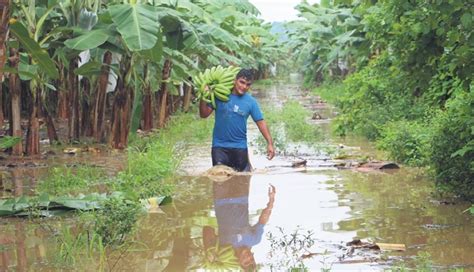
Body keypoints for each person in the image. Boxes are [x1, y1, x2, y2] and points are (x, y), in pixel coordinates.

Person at [199, 68, 275, 172]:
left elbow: (260, 122)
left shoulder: (251, 102)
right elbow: (204, 114)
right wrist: (203, 96)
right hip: (219, 148)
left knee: (242, 182)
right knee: (219, 182)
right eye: (242, 82)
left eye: (248, 84)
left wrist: (269, 143)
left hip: (240, 148)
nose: (244, 87)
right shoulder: (220, 96)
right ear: (235, 80)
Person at [202, 175, 276, 271]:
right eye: (252, 259)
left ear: (239, 262)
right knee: (242, 170)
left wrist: (209, 249)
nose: (249, 257)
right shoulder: (255, 239)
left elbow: (207, 229)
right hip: (241, 196)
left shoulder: (223, 248)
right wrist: (271, 201)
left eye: (246, 261)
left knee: (219, 169)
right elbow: (262, 221)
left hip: (220, 199)